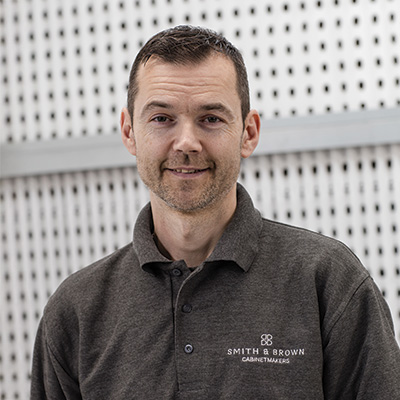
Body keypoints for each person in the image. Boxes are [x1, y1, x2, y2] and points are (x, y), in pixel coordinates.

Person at [31, 25, 400, 399]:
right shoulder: (75, 312)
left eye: (210, 118)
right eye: (162, 118)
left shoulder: (328, 281)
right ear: (129, 132)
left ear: (248, 133)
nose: (187, 143)